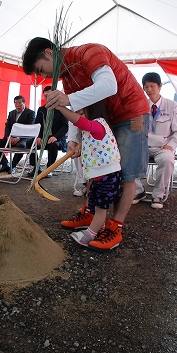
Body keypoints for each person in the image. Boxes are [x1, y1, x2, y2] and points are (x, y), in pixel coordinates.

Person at [22, 37, 150, 251]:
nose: (43, 76)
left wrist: (67, 99)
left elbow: (109, 86)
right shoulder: (67, 79)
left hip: (130, 112)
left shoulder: (89, 53)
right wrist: (73, 138)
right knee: (95, 169)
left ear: (49, 52)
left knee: (124, 172)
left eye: (41, 69)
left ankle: (114, 228)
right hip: (103, 119)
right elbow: (80, 111)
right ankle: (92, 216)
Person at [56, 101, 123, 250]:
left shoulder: (98, 124)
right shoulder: (90, 130)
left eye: (81, 113)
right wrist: (80, 151)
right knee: (94, 206)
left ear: (92, 110)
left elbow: (79, 122)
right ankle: (98, 229)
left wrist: (60, 108)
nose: (78, 117)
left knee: (100, 210)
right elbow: (94, 148)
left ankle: (89, 234)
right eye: (77, 113)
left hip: (108, 177)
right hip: (99, 177)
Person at [133, 72, 177, 209]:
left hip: (163, 148)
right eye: (146, 87)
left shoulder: (172, 106)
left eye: (152, 86)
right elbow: (136, 129)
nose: (149, 90)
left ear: (160, 86)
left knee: (167, 159)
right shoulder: (140, 106)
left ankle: (158, 196)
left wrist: (171, 145)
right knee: (127, 157)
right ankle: (139, 191)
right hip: (144, 146)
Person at [26, 85, 68, 178]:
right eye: (45, 96)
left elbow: (65, 126)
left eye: (49, 95)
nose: (47, 98)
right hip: (43, 137)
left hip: (57, 137)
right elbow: (37, 125)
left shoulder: (61, 108)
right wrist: (38, 137)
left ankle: (49, 168)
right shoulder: (41, 110)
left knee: (53, 144)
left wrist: (56, 137)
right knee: (30, 143)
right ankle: (36, 168)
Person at [0, 95, 35, 174]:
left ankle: (13, 165)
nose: (17, 105)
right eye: (15, 103)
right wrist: (8, 137)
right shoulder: (12, 113)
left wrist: (18, 137)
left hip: (22, 139)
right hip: (10, 138)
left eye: (20, 103)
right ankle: (5, 164)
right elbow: (7, 126)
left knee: (21, 146)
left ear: (24, 103)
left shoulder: (30, 113)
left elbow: (29, 128)